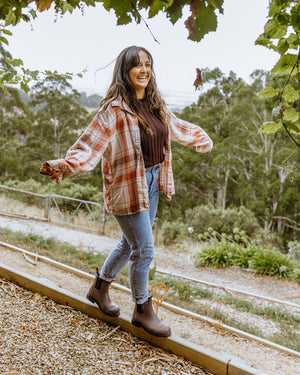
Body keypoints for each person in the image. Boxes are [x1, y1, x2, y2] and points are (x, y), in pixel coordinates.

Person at [40, 46, 213, 337]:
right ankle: (142, 308)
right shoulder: (115, 109)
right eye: (137, 65)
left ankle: (99, 289)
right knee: (144, 249)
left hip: (154, 182)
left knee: (128, 243)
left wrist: (199, 136)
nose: (143, 70)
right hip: (127, 183)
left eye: (148, 64)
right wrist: (64, 165)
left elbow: (174, 126)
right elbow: (89, 144)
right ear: (125, 70)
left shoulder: (156, 103)